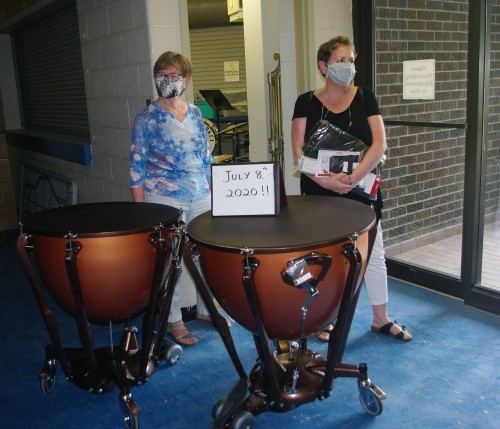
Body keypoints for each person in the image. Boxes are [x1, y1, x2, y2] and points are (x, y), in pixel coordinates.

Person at [291, 36, 412, 342]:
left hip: (361, 189)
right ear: (323, 65)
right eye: (340, 60)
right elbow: (297, 154)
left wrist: (354, 177)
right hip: (320, 193)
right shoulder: (305, 102)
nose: (348, 66)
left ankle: (380, 318)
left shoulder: (365, 97)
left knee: (373, 252)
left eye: (351, 60)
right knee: (328, 258)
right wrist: (326, 181)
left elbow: (379, 144)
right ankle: (328, 318)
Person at [130, 51, 228, 346]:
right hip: (164, 199)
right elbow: (137, 165)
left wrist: (215, 192)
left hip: (201, 194)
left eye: (174, 76)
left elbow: (205, 157)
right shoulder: (146, 119)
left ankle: (206, 309)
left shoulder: (196, 113)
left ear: (185, 81)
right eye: (162, 75)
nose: (167, 80)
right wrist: (142, 212)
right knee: (170, 260)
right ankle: (173, 320)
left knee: (204, 257)